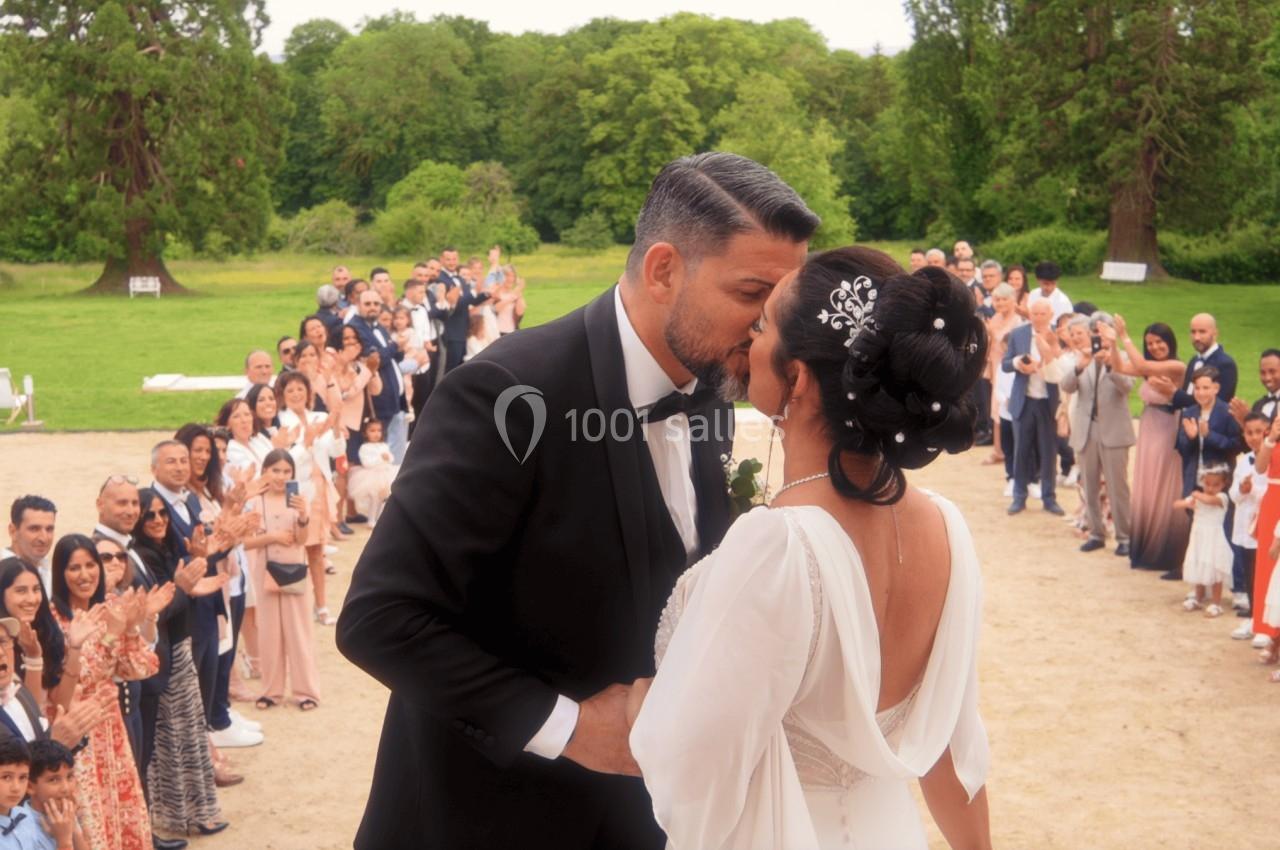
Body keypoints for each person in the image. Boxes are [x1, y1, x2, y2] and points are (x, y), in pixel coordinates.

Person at [337, 151, 811, 849]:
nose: (771, 327)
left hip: (642, 821)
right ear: (663, 271)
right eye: (753, 295)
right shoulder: (504, 394)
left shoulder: (709, 389)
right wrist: (572, 729)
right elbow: (381, 617)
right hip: (481, 820)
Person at [629, 249, 991, 848]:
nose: (750, 336)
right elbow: (954, 755)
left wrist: (646, 708)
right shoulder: (949, 530)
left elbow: (689, 774)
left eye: (763, 324)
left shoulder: (779, 544)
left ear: (795, 376)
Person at [49, 534, 160, 850]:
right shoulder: (54, 619)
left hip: (111, 728)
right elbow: (77, 678)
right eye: (74, 568)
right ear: (60, 573)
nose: (84, 575)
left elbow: (141, 667)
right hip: (78, 729)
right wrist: (112, 637)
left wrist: (135, 625)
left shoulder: (110, 606)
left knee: (121, 812)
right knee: (91, 817)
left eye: (89, 565)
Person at [130, 489, 226, 840]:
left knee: (189, 734)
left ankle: (198, 811)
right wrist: (185, 589)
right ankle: (175, 816)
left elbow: (182, 592)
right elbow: (159, 608)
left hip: (180, 649)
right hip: (161, 656)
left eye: (161, 513)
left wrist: (194, 573)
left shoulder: (170, 549)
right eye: (149, 515)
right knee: (170, 741)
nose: (158, 520)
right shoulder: (138, 556)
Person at [1107, 318, 1189, 573]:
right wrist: (1112, 343)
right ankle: (1144, 546)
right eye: (1150, 343)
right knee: (1147, 484)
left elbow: (1141, 364)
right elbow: (1119, 365)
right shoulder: (1150, 367)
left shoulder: (1176, 366)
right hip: (1149, 426)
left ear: (1170, 342)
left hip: (1167, 426)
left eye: (1159, 342)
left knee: (1164, 485)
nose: (1154, 346)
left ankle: (1165, 551)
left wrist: (1124, 335)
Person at [242, 450, 320, 713]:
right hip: (264, 572)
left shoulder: (297, 500)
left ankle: (305, 691)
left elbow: (302, 539)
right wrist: (272, 537)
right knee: (269, 633)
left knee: (299, 632)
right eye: (275, 470)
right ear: (265, 471)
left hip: (294, 570)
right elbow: (244, 541)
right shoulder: (255, 502)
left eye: (286, 471)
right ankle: (271, 691)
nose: (281, 476)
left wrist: (303, 517)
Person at [1060, 313, 1135, 556]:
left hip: (1114, 430)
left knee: (1117, 487)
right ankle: (1096, 532)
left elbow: (1126, 387)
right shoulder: (1084, 358)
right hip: (1086, 429)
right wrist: (1080, 366)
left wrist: (1111, 361)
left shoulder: (1122, 357)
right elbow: (1066, 386)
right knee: (1089, 486)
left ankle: (1125, 537)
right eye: (1096, 334)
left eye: (1103, 334)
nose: (1099, 339)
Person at [274, 371, 342, 627]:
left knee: (317, 549)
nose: (296, 394)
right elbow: (284, 462)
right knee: (295, 549)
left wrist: (335, 427)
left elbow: (337, 451)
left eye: (300, 389)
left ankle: (321, 605)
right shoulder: (281, 422)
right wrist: (307, 442)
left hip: (321, 489)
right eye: (290, 390)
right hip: (297, 490)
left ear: (308, 392)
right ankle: (297, 606)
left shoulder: (319, 417)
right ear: (283, 395)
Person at [1002, 299, 1066, 516]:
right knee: (1021, 450)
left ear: (1050, 315)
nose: (1038, 317)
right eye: (1034, 313)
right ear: (1029, 314)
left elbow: (1062, 364)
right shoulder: (1018, 334)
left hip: (1048, 402)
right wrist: (1019, 363)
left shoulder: (1057, 335)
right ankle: (1019, 496)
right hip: (1024, 400)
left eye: (1042, 314)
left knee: (1049, 452)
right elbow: (1005, 363)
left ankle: (1049, 497)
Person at [0, 559, 69, 713]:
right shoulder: (3, 646)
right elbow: (32, 713)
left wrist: (76, 648)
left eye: (36, 589)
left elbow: (62, 703)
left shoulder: (46, 631)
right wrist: (33, 659)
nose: (32, 599)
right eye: (21, 591)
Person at [350, 288, 409, 464]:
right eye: (367, 304)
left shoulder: (379, 327)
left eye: (376, 304)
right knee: (375, 448)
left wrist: (397, 349)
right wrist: (394, 346)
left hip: (394, 394)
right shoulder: (356, 328)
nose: (373, 308)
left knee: (392, 446)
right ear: (358, 305)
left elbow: (392, 355)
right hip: (378, 399)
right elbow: (375, 360)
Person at [1228, 414, 1270, 631]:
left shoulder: (1272, 460)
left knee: (1261, 576)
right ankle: (1254, 618)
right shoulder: (1244, 461)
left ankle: (1263, 622)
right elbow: (1233, 494)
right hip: (1243, 526)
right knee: (1247, 573)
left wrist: (1252, 490)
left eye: (1258, 432)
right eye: (1249, 433)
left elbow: (1271, 493)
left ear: (1268, 432)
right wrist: (1242, 490)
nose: (1254, 437)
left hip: (1263, 527)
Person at [1174, 466, 1234, 617]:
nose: (1211, 488)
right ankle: (1198, 598)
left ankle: (1216, 603)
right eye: (1207, 483)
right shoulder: (1198, 496)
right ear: (1202, 481)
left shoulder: (1222, 498)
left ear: (1223, 485)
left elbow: (1209, 500)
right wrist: (1187, 503)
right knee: (1199, 566)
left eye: (1216, 485)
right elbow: (1176, 504)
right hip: (1199, 537)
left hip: (1213, 538)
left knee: (1215, 570)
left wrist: (1196, 495)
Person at [982, 283, 1022, 468]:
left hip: (1013, 371)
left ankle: (1014, 451)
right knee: (996, 409)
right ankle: (998, 450)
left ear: (1013, 300)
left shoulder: (1018, 321)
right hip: (996, 367)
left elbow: (1009, 343)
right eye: (997, 299)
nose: (1000, 303)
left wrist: (991, 332)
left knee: (1010, 409)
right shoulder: (996, 318)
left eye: (1004, 299)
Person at [25, 740, 88, 850]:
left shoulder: (66, 814)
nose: (66, 788)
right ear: (30, 787)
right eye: (54, 780)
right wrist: (64, 841)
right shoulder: (22, 827)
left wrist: (74, 829)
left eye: (69, 777)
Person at [1253, 416, 1280, 660]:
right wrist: (1271, 438)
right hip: (1273, 502)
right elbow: (1260, 468)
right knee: (1268, 568)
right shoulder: (1272, 438)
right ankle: (1269, 633)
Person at [1171, 313, 1238, 410]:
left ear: (1215, 333)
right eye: (1193, 332)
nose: (1196, 337)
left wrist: (1174, 393)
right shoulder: (1193, 361)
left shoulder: (1225, 364)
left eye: (1202, 332)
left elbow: (1216, 405)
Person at [2, 497, 55, 596]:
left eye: (49, 529)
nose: (43, 538)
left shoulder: (50, 574)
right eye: (34, 529)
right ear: (13, 531)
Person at [347, 420, 395, 527]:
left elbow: (391, 458)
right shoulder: (365, 447)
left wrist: (388, 458)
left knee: (382, 498)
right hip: (371, 476)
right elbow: (366, 463)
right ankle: (371, 519)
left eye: (379, 430)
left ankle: (378, 518)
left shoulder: (384, 445)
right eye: (372, 431)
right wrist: (380, 459)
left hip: (385, 474)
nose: (376, 433)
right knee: (374, 497)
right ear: (365, 433)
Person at [1230, 348, 1280, 426]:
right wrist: (1244, 423)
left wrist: (1250, 419)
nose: (1267, 378)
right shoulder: (1258, 405)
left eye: (1272, 371)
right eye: (1263, 373)